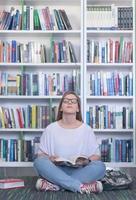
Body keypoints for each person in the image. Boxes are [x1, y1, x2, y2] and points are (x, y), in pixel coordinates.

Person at [34, 91, 106, 194]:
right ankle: (80, 186)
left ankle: (56, 185)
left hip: (80, 170)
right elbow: (41, 155)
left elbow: (96, 156)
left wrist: (86, 161)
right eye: (66, 101)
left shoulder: (86, 129)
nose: (69, 103)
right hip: (56, 170)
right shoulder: (51, 128)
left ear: (78, 108)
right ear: (60, 107)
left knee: (100, 166)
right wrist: (50, 158)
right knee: (39, 163)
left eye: (73, 101)